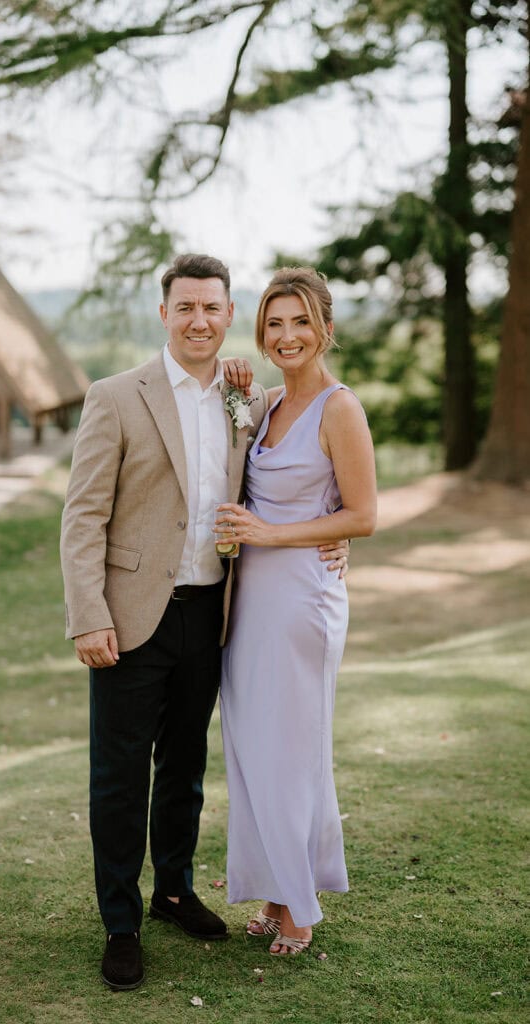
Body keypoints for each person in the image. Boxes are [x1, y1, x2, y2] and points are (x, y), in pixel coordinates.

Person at [60, 254, 349, 991]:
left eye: (212, 309)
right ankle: (120, 923)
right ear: (165, 314)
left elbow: (286, 477)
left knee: (185, 768)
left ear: (227, 315)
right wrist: (87, 615)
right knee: (119, 776)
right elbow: (83, 515)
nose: (199, 320)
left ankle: (175, 892)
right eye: (185, 307)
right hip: (128, 619)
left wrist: (329, 529)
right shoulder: (116, 396)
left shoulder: (243, 400)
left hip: (212, 614)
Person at [216, 267, 376, 956]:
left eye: (300, 322)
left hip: (301, 598)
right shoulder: (267, 405)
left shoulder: (339, 408)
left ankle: (300, 907)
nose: (286, 336)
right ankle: (277, 891)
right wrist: (233, 390)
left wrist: (272, 535)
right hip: (250, 598)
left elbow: (361, 514)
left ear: (325, 330)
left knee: (293, 749)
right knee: (255, 748)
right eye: (274, 324)